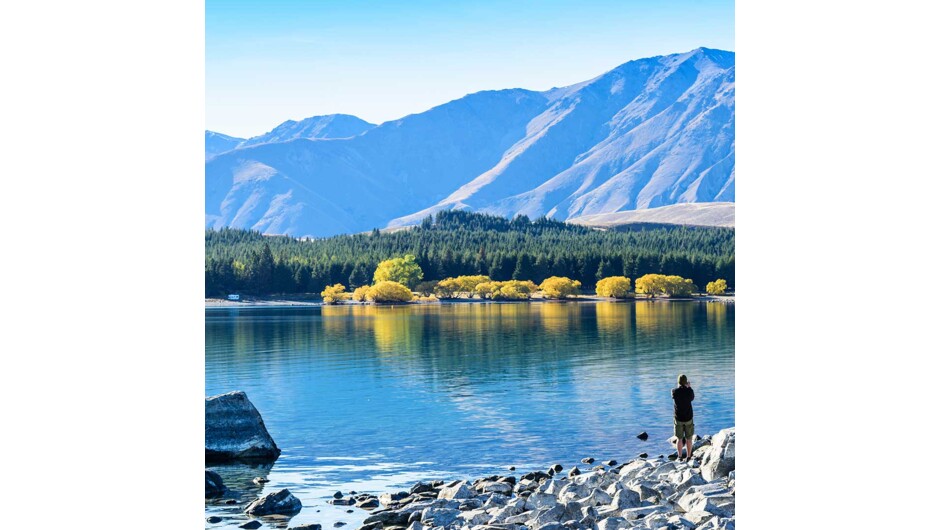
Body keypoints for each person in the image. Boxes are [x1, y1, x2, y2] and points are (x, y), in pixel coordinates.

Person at [672, 374, 695, 462]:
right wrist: (689, 387)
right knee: (689, 438)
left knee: (679, 439)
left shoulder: (674, 391)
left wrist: (680, 386)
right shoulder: (689, 391)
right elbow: (692, 398)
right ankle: (689, 457)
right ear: (686, 382)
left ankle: (680, 457)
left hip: (678, 418)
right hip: (688, 418)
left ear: (678, 382)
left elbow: (674, 394)